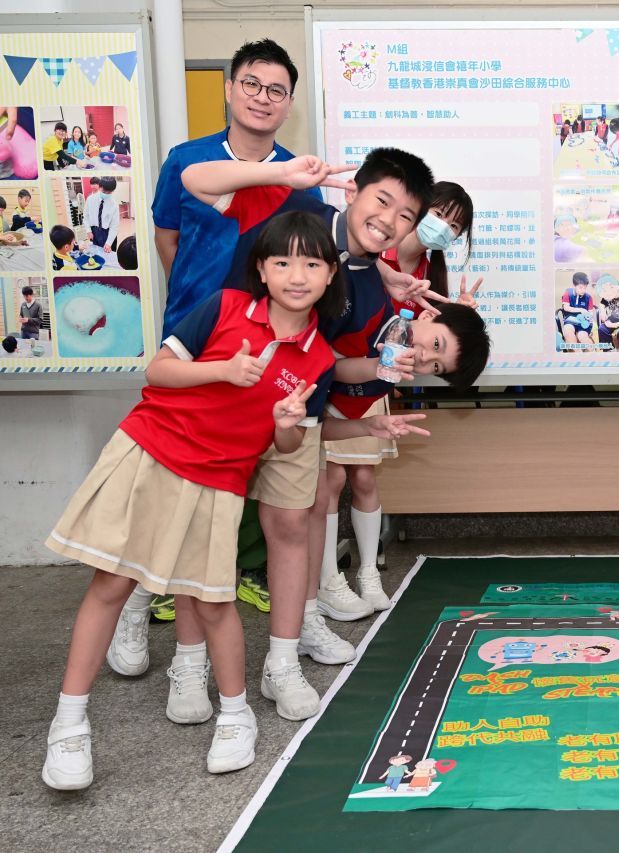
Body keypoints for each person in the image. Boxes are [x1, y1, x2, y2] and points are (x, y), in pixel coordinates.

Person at [39, 212, 427, 791]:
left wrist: (294, 424)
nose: (297, 275)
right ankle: (69, 725)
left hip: (221, 481)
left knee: (214, 603)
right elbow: (158, 370)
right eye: (282, 262)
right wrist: (224, 370)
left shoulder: (318, 360)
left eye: (312, 263)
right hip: (152, 453)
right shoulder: (223, 308)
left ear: (330, 277)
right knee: (111, 586)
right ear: (262, 270)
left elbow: (291, 441)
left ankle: (236, 715)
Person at [179, 147, 447, 718]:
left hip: (298, 411)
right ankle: (178, 649)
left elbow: (333, 363)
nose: (389, 220)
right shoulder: (296, 209)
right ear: (352, 191)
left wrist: (388, 370)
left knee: (292, 524)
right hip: (222, 397)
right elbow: (194, 179)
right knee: (197, 529)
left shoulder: (372, 282)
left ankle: (286, 652)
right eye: (382, 201)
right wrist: (279, 172)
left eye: (404, 215)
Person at [107, 39, 321, 716]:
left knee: (251, 505)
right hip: (199, 348)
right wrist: (202, 311)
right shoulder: (188, 160)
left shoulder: (300, 178)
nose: (262, 97)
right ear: (229, 89)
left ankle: (281, 647)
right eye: (251, 84)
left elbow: (308, 265)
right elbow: (167, 240)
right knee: (167, 493)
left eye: (276, 89)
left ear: (289, 102)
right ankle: (137, 602)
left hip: (269, 362)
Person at [324, 181, 481, 613]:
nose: (443, 228)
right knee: (329, 480)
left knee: (363, 478)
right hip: (337, 368)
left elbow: (432, 336)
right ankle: (327, 581)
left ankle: (368, 575)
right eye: (440, 215)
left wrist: (458, 312)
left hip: (371, 384)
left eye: (455, 226)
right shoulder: (377, 251)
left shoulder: (432, 271)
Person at [560, 271, 595, 349]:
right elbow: (566, 308)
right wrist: (581, 310)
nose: (583, 290)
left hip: (583, 322)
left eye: (585, 288)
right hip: (570, 319)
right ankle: (578, 353)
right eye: (580, 287)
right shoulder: (568, 293)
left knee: (582, 336)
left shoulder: (588, 297)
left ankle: (593, 353)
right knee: (568, 332)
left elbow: (590, 313)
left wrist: (588, 316)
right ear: (574, 285)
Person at [84, 175, 120, 252]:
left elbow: (114, 226)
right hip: (94, 231)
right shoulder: (90, 199)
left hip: (108, 233)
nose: (106, 194)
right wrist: (88, 230)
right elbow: (86, 217)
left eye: (109, 192)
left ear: (112, 191)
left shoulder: (114, 205)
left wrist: (109, 243)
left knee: (109, 254)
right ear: (99, 187)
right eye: (104, 191)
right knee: (96, 253)